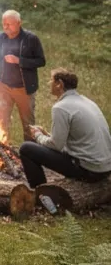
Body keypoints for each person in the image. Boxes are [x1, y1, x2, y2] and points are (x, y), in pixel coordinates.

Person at [20, 69, 111, 199]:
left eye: (52, 80)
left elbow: (56, 145)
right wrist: (46, 134)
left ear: (60, 84)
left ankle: (42, 195)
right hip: (105, 168)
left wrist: (37, 135)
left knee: (26, 148)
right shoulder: (87, 102)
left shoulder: (61, 107)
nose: (49, 83)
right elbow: (72, 140)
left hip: (89, 170)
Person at [0, 10, 45, 141]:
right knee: (1, 123)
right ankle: (2, 149)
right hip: (3, 87)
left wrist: (19, 61)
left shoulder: (30, 39)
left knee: (28, 124)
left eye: (9, 24)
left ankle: (30, 150)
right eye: (4, 24)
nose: (6, 27)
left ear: (19, 23)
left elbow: (41, 61)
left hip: (24, 88)